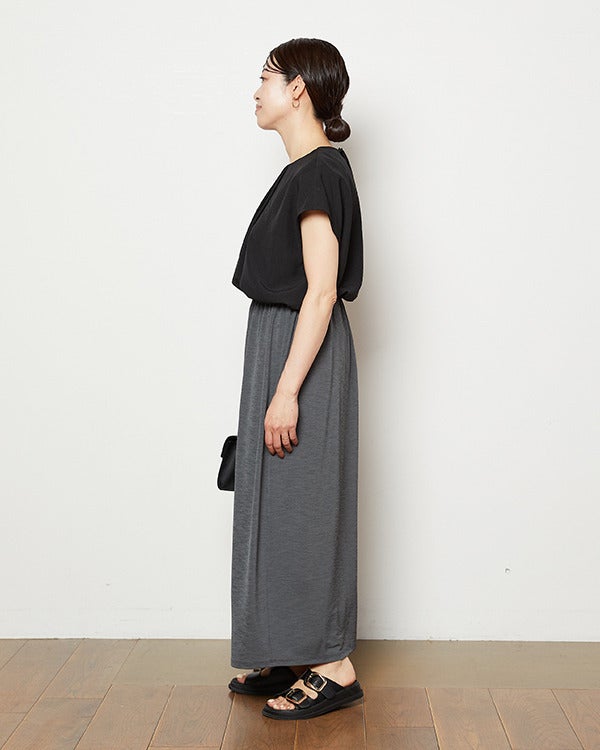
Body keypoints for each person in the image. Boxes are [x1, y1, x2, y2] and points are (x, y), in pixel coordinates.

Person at [227, 38, 365, 720]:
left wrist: (286, 391)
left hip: (300, 348)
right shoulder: (305, 171)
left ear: (299, 89)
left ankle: (333, 665)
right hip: (280, 342)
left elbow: (321, 290)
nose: (256, 92)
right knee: (275, 498)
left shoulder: (317, 172)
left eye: (266, 78)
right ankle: (291, 645)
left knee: (305, 504)